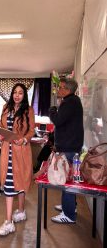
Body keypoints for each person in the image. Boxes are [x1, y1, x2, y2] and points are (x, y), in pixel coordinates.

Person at [0, 83, 35, 236]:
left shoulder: (28, 110)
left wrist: (24, 140)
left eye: (20, 93)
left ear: (24, 95)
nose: (17, 95)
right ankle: (8, 222)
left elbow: (31, 130)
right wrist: (0, 134)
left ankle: (21, 211)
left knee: (21, 181)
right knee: (9, 183)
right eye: (15, 92)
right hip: (8, 149)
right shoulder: (6, 107)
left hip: (22, 150)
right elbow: (3, 126)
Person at [49, 78, 84, 224]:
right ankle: (69, 206)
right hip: (71, 146)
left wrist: (52, 110)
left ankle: (68, 214)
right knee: (68, 177)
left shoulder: (70, 102)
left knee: (66, 180)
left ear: (68, 90)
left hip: (69, 148)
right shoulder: (73, 101)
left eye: (61, 87)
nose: (58, 89)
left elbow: (57, 120)